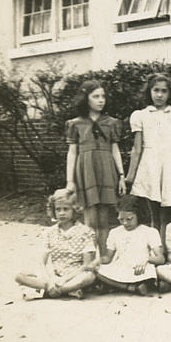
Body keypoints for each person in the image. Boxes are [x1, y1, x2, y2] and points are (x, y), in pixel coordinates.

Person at [126, 73, 171, 243]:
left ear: (170, 94)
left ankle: (166, 249)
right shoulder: (141, 115)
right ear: (150, 91)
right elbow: (137, 148)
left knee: (167, 215)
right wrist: (131, 175)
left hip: (170, 164)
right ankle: (156, 250)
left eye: (164, 91)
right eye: (156, 90)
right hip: (150, 165)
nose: (160, 95)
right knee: (154, 214)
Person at [65, 80, 126, 257]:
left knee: (104, 221)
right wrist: (70, 181)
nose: (101, 100)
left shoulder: (111, 123)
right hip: (86, 172)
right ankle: (90, 260)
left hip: (106, 171)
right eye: (95, 96)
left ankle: (105, 259)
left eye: (103, 96)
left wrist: (121, 175)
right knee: (90, 222)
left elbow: (115, 150)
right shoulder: (75, 124)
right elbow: (72, 152)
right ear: (86, 99)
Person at [15, 189, 96, 299]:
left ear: (74, 210)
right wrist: (50, 280)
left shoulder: (86, 232)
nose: (62, 213)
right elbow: (42, 263)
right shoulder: (49, 233)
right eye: (58, 209)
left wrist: (65, 279)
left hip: (74, 275)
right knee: (19, 276)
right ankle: (65, 290)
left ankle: (56, 290)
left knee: (90, 276)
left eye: (66, 209)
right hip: (54, 274)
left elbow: (86, 265)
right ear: (53, 211)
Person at [92, 195, 164, 295]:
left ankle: (113, 286)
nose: (125, 223)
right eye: (121, 219)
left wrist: (147, 259)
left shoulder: (149, 232)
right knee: (96, 270)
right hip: (121, 267)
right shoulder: (115, 232)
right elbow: (108, 258)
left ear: (138, 215)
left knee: (150, 272)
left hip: (140, 269)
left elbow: (161, 258)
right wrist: (97, 261)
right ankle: (131, 288)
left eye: (129, 219)